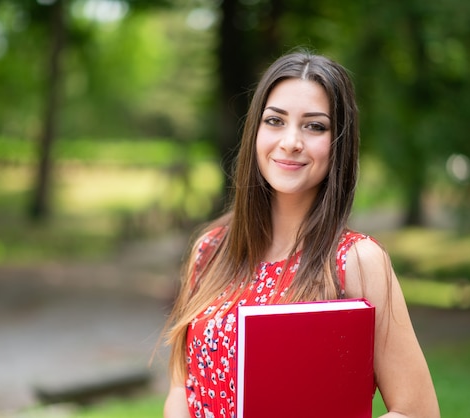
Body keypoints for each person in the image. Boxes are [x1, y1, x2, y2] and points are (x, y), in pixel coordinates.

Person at [162, 51, 440, 418]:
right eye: (275, 121)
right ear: (255, 132)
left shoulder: (356, 261)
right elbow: (182, 390)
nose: (291, 141)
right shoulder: (211, 250)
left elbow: (418, 411)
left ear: (338, 143)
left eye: (315, 126)